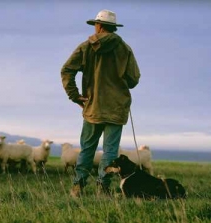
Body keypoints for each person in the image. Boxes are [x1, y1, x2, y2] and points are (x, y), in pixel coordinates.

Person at [61, 9, 141, 198]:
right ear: (113, 28)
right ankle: (102, 188)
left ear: (98, 25)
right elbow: (133, 80)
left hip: (92, 106)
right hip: (116, 107)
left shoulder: (86, 47)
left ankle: (78, 187)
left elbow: (66, 70)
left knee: (87, 148)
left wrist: (75, 96)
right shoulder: (125, 49)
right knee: (110, 151)